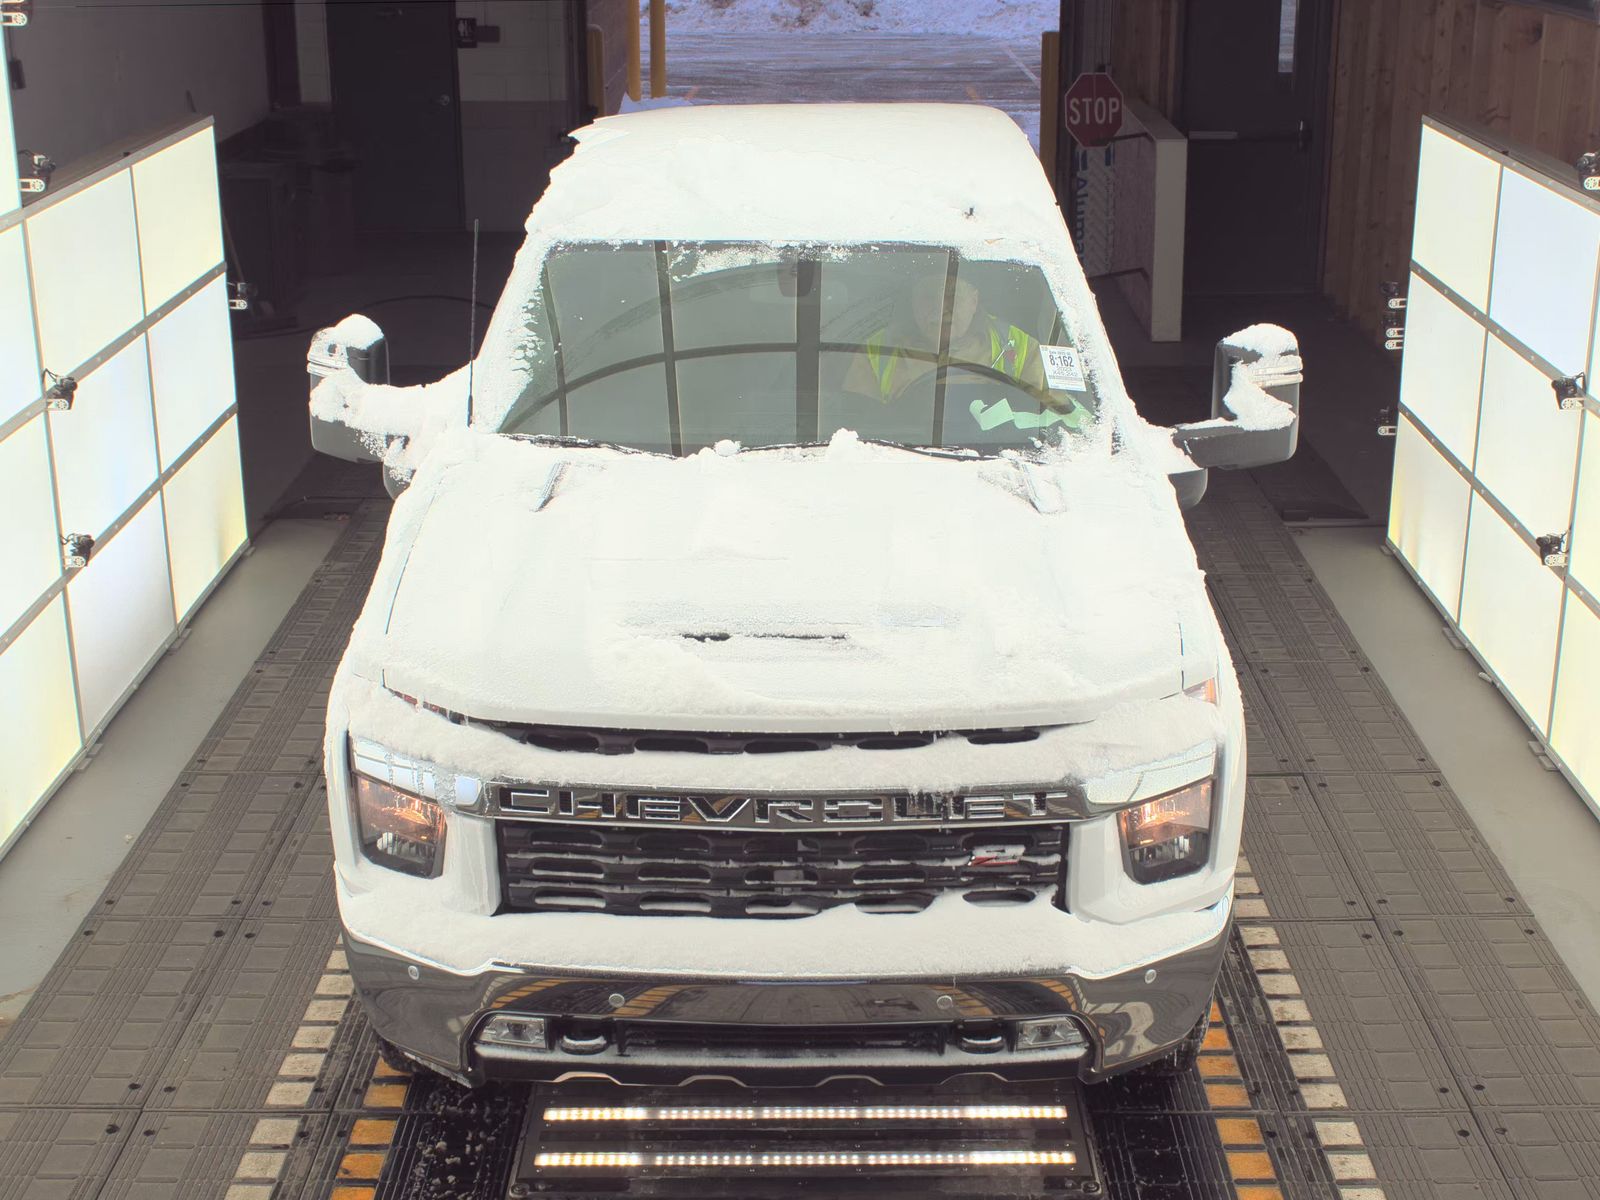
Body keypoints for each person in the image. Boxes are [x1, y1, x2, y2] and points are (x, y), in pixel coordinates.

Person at [843, 272, 1088, 436]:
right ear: (913, 302)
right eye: (928, 296)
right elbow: (854, 430)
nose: (941, 308)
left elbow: (1064, 419)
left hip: (1001, 465)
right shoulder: (878, 349)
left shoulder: (1018, 345)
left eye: (952, 296)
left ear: (974, 301)